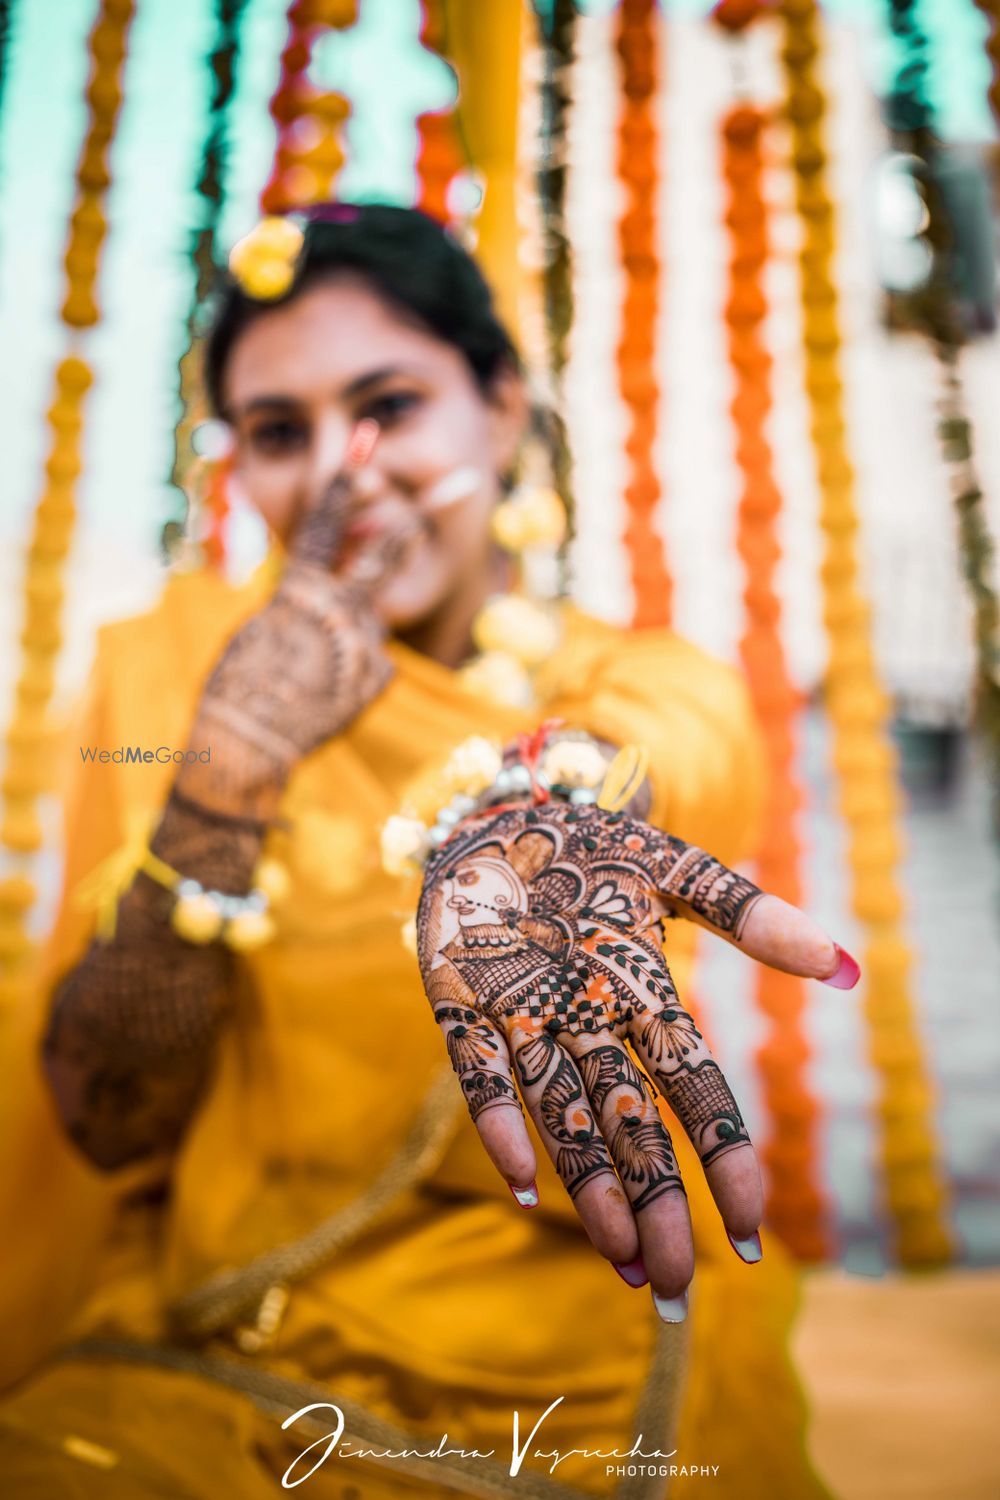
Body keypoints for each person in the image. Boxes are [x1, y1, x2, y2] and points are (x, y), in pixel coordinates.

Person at [0, 204, 853, 1498]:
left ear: (502, 409)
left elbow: (660, 757)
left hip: (576, 1337)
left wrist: (533, 833)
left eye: (388, 403)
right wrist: (225, 778)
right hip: (215, 1330)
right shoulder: (180, 676)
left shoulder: (647, 682)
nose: (345, 474)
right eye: (280, 432)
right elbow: (109, 1121)